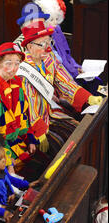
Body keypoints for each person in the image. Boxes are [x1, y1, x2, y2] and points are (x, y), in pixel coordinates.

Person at [19, 19, 102, 154]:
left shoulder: (48, 56)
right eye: (42, 43)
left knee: (80, 131)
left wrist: (87, 98)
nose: (47, 47)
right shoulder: (24, 70)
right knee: (61, 145)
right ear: (29, 47)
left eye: (49, 42)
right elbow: (30, 103)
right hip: (33, 121)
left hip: (52, 111)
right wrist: (39, 130)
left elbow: (64, 81)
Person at [0, 42, 38, 173]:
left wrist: (30, 138)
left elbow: (23, 115)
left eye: (17, 63)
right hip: (0, 153)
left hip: (19, 145)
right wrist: (6, 159)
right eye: (8, 63)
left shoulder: (17, 84)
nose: (14, 68)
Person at [34, 0, 103, 96]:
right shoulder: (38, 41)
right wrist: (75, 73)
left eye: (56, 19)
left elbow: (68, 55)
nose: (55, 24)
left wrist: (77, 67)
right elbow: (56, 70)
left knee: (96, 81)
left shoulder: (56, 29)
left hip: (72, 73)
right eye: (51, 20)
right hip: (61, 80)